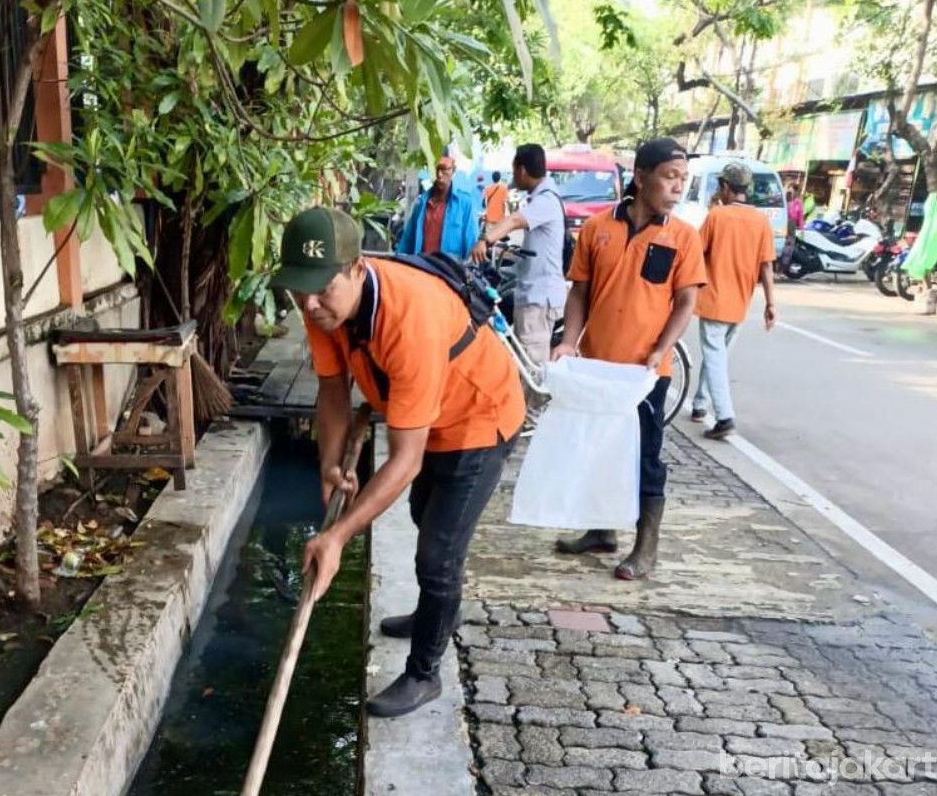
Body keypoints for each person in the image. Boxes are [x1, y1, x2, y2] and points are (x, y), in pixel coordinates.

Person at [273, 206, 524, 718]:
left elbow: (404, 460)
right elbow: (332, 390)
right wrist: (330, 461)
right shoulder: (321, 304)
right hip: (425, 415)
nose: (311, 303)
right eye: (301, 290)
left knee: (439, 552)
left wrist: (337, 536)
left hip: (477, 418)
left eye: (323, 288)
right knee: (420, 514)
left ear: (357, 268)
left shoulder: (410, 322)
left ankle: (424, 673)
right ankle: (433, 610)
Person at [552, 138, 706, 580]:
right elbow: (580, 290)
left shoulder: (683, 237)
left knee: (645, 457)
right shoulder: (598, 228)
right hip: (598, 365)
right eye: (669, 177)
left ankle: (646, 546)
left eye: (684, 180)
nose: (677, 187)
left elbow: (685, 303)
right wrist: (569, 341)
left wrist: (661, 349)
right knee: (598, 448)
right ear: (640, 178)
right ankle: (601, 531)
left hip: (645, 373)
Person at [689, 162, 777, 439]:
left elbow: (695, 252)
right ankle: (700, 403)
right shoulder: (761, 221)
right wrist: (770, 303)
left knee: (714, 357)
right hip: (740, 302)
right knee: (717, 356)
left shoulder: (717, 216)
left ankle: (725, 416)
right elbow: (766, 266)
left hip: (714, 299)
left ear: (726, 187)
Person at [470, 144, 566, 377]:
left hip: (539, 298)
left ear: (521, 170)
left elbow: (513, 221)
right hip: (532, 293)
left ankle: (530, 412)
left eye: (514, 170)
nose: (513, 176)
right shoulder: (541, 199)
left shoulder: (546, 201)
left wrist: (485, 240)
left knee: (532, 368)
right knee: (523, 358)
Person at [396, 156, 478, 260]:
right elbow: (407, 241)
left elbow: (472, 243)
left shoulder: (465, 204)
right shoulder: (421, 204)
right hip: (422, 268)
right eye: (437, 169)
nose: (439, 174)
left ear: (453, 171)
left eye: (444, 169)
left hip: (449, 271)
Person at [781, 186, 803, 274]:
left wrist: (801, 228)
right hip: (783, 223)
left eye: (792, 191)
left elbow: (800, 216)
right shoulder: (784, 201)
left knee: (788, 248)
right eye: (788, 191)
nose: (790, 193)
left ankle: (783, 269)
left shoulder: (798, 203)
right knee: (781, 246)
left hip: (791, 225)